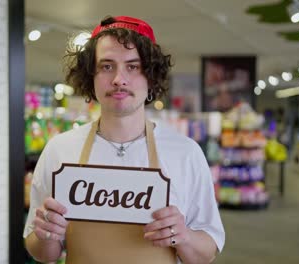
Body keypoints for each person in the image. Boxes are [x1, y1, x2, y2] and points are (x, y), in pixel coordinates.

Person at [24, 15, 225, 263]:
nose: (119, 79)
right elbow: (43, 253)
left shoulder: (186, 153)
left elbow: (206, 254)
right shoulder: (59, 150)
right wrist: (46, 235)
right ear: (91, 76)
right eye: (107, 66)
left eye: (133, 66)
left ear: (150, 76)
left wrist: (182, 235)